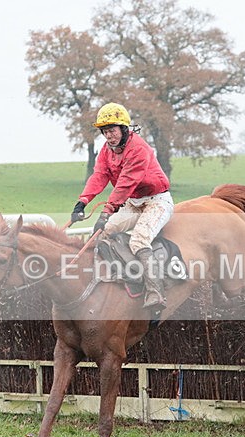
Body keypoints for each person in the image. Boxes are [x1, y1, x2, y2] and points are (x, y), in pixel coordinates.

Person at [70, 102, 174, 309]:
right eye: (105, 132)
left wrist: (107, 211)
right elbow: (99, 175)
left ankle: (156, 292)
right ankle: (117, 276)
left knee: (139, 240)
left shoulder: (139, 149)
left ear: (124, 129)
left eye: (112, 131)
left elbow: (125, 183)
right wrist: (82, 202)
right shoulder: (106, 151)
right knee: (101, 233)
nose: (109, 136)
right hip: (133, 203)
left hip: (157, 202)